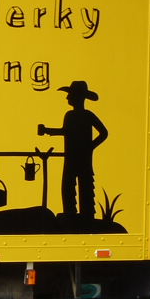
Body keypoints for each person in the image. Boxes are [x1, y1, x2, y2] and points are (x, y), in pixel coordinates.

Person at [38, 80, 108, 219]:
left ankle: (87, 214)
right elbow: (65, 131)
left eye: (70, 95)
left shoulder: (88, 115)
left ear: (77, 97)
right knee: (68, 185)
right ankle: (70, 213)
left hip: (82, 158)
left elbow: (104, 133)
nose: (67, 98)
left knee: (84, 185)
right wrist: (47, 130)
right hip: (71, 156)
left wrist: (90, 147)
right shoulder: (70, 115)